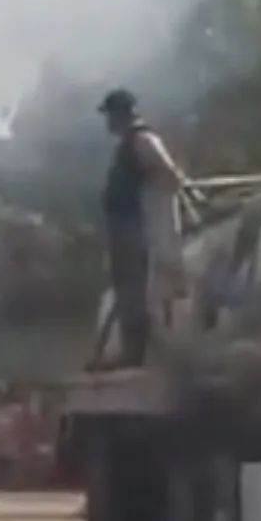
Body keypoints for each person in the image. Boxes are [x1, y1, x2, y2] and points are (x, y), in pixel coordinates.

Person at [98, 88, 194, 367]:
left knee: (134, 292)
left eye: (110, 115)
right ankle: (132, 350)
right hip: (124, 230)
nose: (107, 122)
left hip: (135, 231)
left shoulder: (142, 140)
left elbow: (171, 176)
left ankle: (135, 354)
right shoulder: (129, 142)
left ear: (120, 115)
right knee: (127, 291)